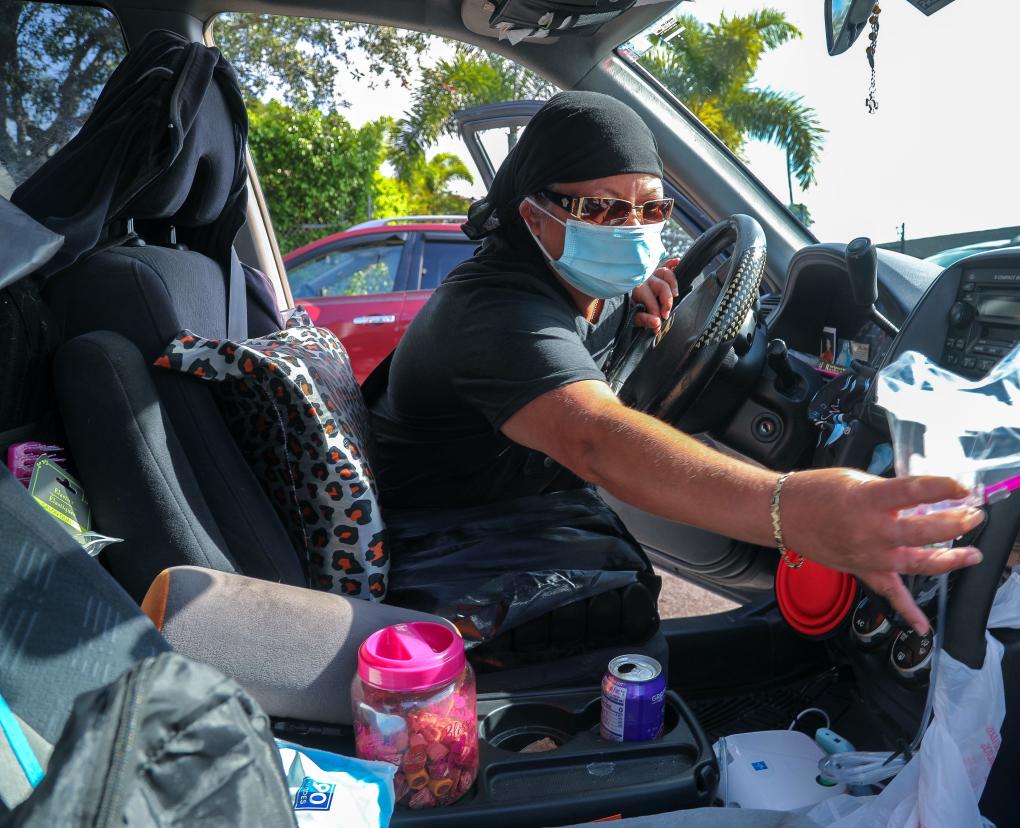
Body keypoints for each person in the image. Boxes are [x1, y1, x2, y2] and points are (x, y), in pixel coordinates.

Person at [370, 91, 982, 633]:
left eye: (651, 209)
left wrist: (624, 300)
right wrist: (795, 509)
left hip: (485, 515)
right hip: (436, 548)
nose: (631, 228)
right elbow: (595, 443)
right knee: (618, 599)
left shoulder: (566, 283)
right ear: (533, 215)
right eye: (602, 210)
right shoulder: (495, 310)